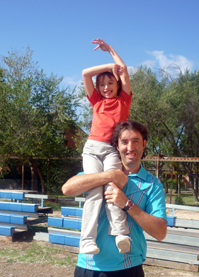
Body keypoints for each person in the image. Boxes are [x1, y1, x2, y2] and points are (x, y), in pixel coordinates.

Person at [62, 120, 167, 277]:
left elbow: (160, 231)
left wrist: (127, 203)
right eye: (124, 141)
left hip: (126, 269)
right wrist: (110, 176)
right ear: (116, 146)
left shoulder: (151, 185)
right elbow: (67, 188)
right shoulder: (97, 171)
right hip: (90, 266)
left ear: (144, 146)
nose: (130, 147)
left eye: (136, 141)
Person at [80, 38, 132, 256]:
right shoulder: (96, 101)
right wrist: (108, 68)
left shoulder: (124, 100)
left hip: (111, 151)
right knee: (93, 191)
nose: (105, 87)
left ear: (117, 84)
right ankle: (87, 241)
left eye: (110, 83)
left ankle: (121, 233)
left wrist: (110, 51)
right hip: (92, 149)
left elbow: (124, 69)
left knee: (112, 189)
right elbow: (85, 73)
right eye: (102, 84)